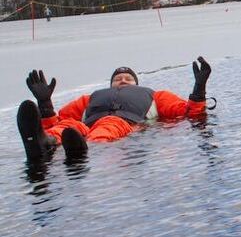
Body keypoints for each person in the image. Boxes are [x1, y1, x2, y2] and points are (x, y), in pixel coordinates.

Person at [17, 57, 212, 162]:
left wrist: (199, 89)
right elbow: (61, 119)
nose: (123, 80)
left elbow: (188, 113)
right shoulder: (90, 98)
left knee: (108, 125)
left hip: (124, 123)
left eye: (128, 78)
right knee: (69, 126)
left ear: (136, 83)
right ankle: (45, 142)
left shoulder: (155, 96)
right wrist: (45, 105)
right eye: (118, 79)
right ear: (111, 84)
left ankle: (84, 149)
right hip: (87, 124)